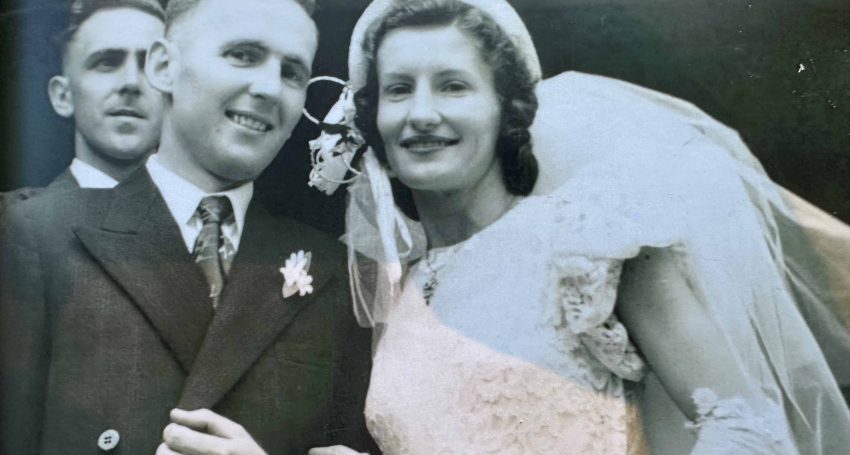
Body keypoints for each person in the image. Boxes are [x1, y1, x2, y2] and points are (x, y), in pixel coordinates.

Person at [305, 0, 850, 453]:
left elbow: (748, 427)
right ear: (373, 117)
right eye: (399, 89)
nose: (422, 113)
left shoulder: (590, 239)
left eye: (453, 86)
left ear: (506, 110)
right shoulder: (404, 292)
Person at [0, 0, 374, 454]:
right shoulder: (34, 234)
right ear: (162, 66)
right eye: (244, 55)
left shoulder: (337, 273)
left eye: (293, 72)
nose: (270, 88)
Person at [0, 0, 165, 213]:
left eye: (151, 65)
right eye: (107, 63)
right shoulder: (9, 223)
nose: (131, 82)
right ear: (63, 96)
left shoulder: (209, 225)